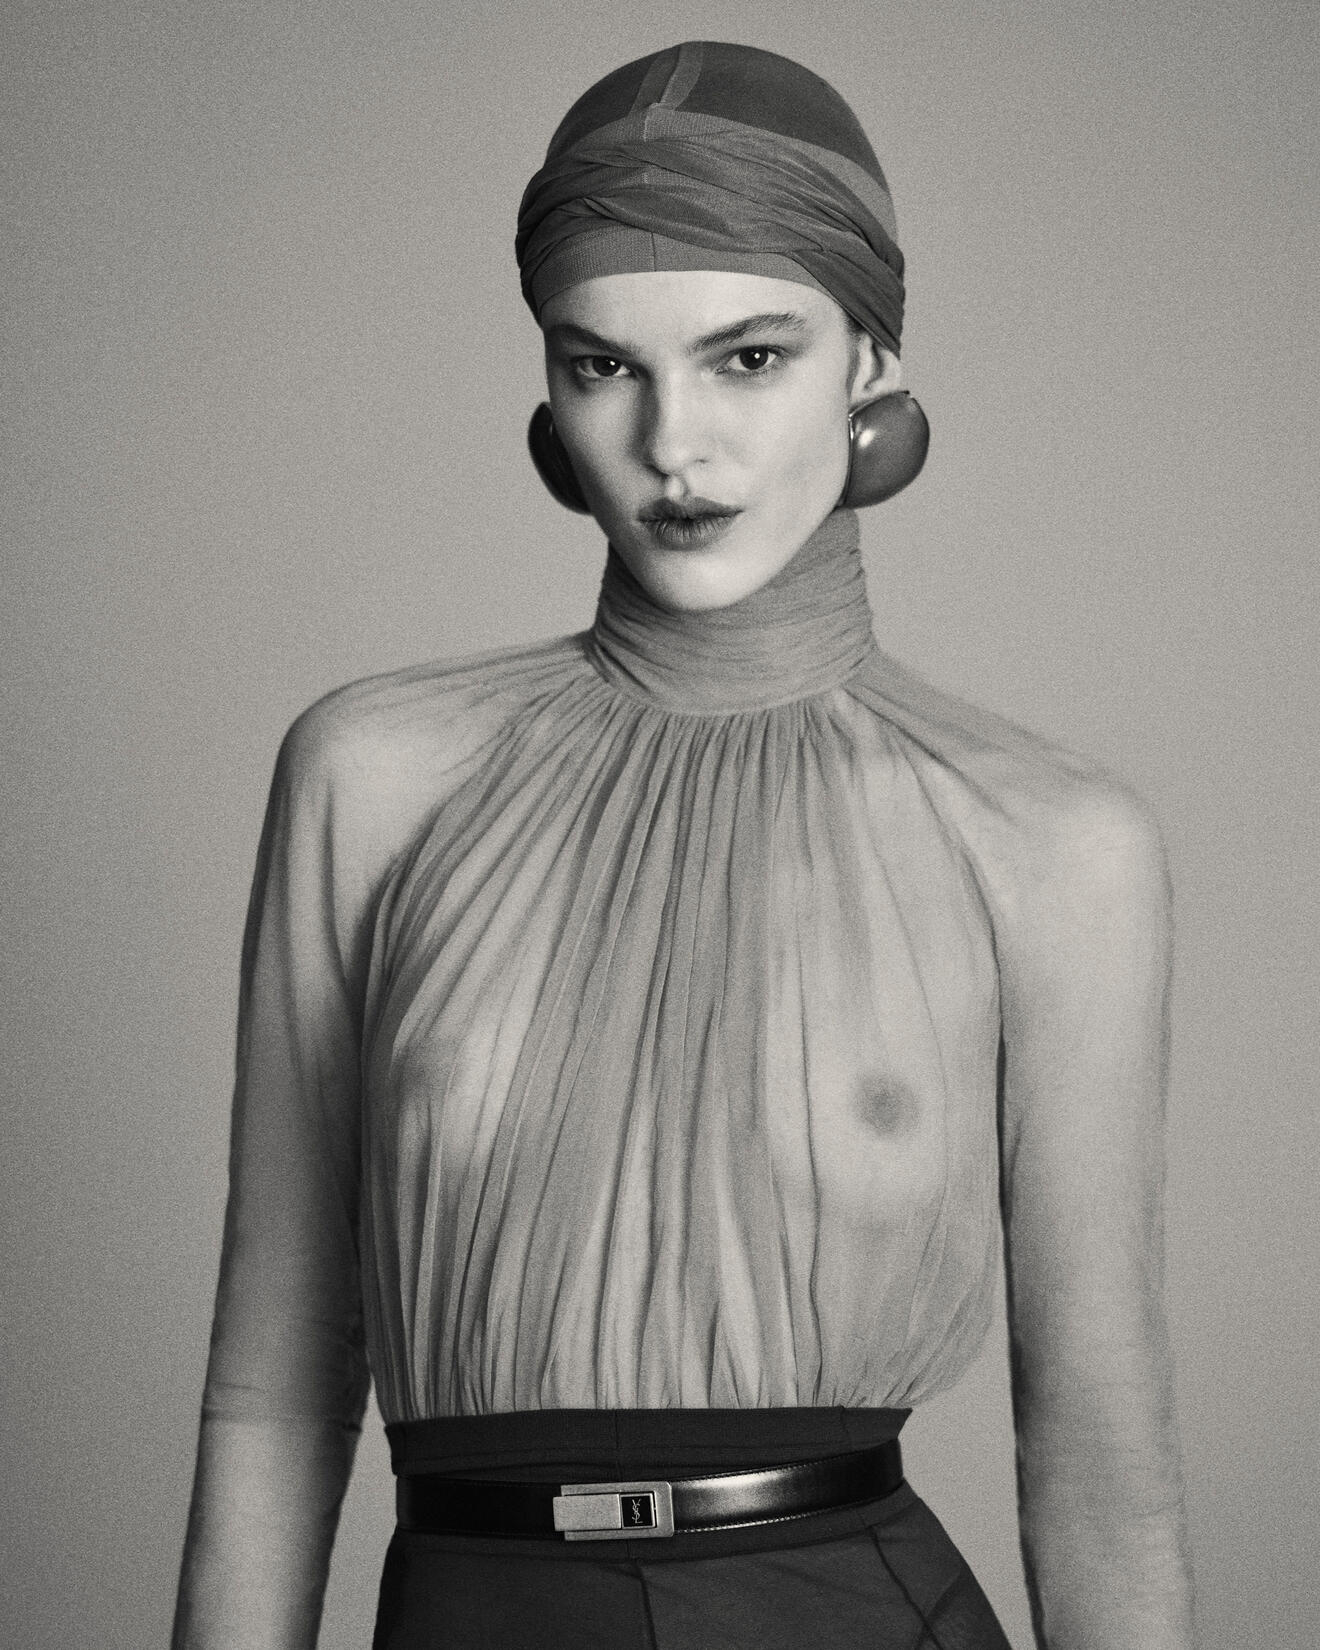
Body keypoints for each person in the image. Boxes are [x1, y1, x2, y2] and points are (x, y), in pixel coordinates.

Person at [172, 40, 1197, 1650]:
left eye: (749, 357)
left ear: (870, 358)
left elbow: (1097, 1448)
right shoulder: (370, 778)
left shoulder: (1053, 841)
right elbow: (274, 1390)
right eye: (604, 366)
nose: (671, 442)